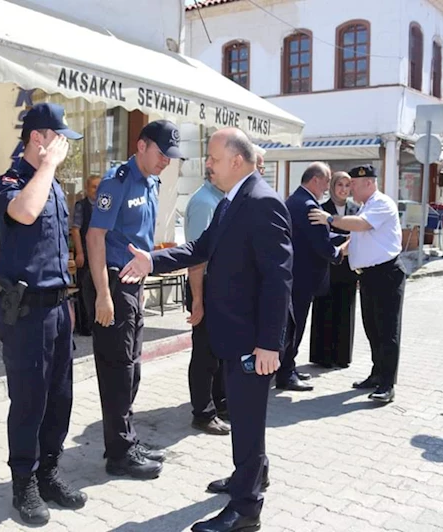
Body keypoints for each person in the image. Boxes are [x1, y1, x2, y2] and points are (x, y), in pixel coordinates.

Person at [120, 128, 293, 532]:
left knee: (248, 420)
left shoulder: (262, 203)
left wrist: (270, 342)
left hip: (253, 340)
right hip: (231, 333)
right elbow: (200, 249)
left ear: (237, 160)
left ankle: (246, 508)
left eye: (213, 158)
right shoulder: (233, 202)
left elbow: (278, 279)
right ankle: (250, 475)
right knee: (245, 416)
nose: (207, 165)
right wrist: (152, 261)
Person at [0, 103, 87, 525]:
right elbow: (26, 212)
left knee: (60, 397)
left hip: (58, 305)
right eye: (57, 137)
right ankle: (23, 483)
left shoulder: (57, 187)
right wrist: (46, 167)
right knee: (28, 399)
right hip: (26, 310)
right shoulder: (8, 182)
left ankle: (48, 473)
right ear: (37, 138)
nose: (63, 146)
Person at [86, 120, 184, 479]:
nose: (166, 162)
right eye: (162, 154)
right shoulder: (119, 180)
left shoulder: (151, 181)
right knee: (116, 369)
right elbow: (95, 237)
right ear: (142, 146)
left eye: (171, 157)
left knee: (132, 368)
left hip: (134, 282)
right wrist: (103, 295)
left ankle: (126, 440)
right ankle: (118, 455)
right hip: (113, 281)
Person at [309, 164, 405, 404]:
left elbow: (361, 225)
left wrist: (330, 219)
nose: (350, 189)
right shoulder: (367, 206)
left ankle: (387, 384)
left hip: (386, 274)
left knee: (387, 330)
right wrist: (339, 252)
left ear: (369, 184)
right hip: (369, 276)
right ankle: (376, 373)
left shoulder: (382, 203)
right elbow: (357, 238)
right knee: (372, 328)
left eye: (354, 184)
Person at [277, 162, 347, 392]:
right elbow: (321, 244)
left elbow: (317, 235)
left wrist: (344, 234)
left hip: (295, 274)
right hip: (302, 277)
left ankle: (289, 367)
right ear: (315, 180)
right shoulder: (307, 205)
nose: (328, 187)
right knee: (295, 326)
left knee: (293, 324)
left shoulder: (297, 199)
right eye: (327, 181)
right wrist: (341, 251)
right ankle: (286, 373)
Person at [184, 169, 230, 435]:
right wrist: (198, 300)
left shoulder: (221, 199)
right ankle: (203, 412)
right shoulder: (205, 202)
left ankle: (218, 402)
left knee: (217, 351)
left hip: (217, 287)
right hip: (204, 286)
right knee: (204, 354)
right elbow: (196, 257)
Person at [310, 171, 360, 369]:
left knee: (345, 310)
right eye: (340, 185)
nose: (344, 189)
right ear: (332, 187)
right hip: (328, 267)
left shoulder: (356, 210)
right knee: (325, 309)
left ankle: (342, 356)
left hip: (348, 268)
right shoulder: (322, 209)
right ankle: (323, 357)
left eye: (348, 186)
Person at [70, 175, 101, 336]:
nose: (97, 190)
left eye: (99, 186)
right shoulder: (82, 206)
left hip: (102, 255)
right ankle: (85, 326)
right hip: (86, 255)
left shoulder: (105, 205)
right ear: (87, 189)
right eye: (94, 187)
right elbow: (75, 230)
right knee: (85, 291)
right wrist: (80, 253)